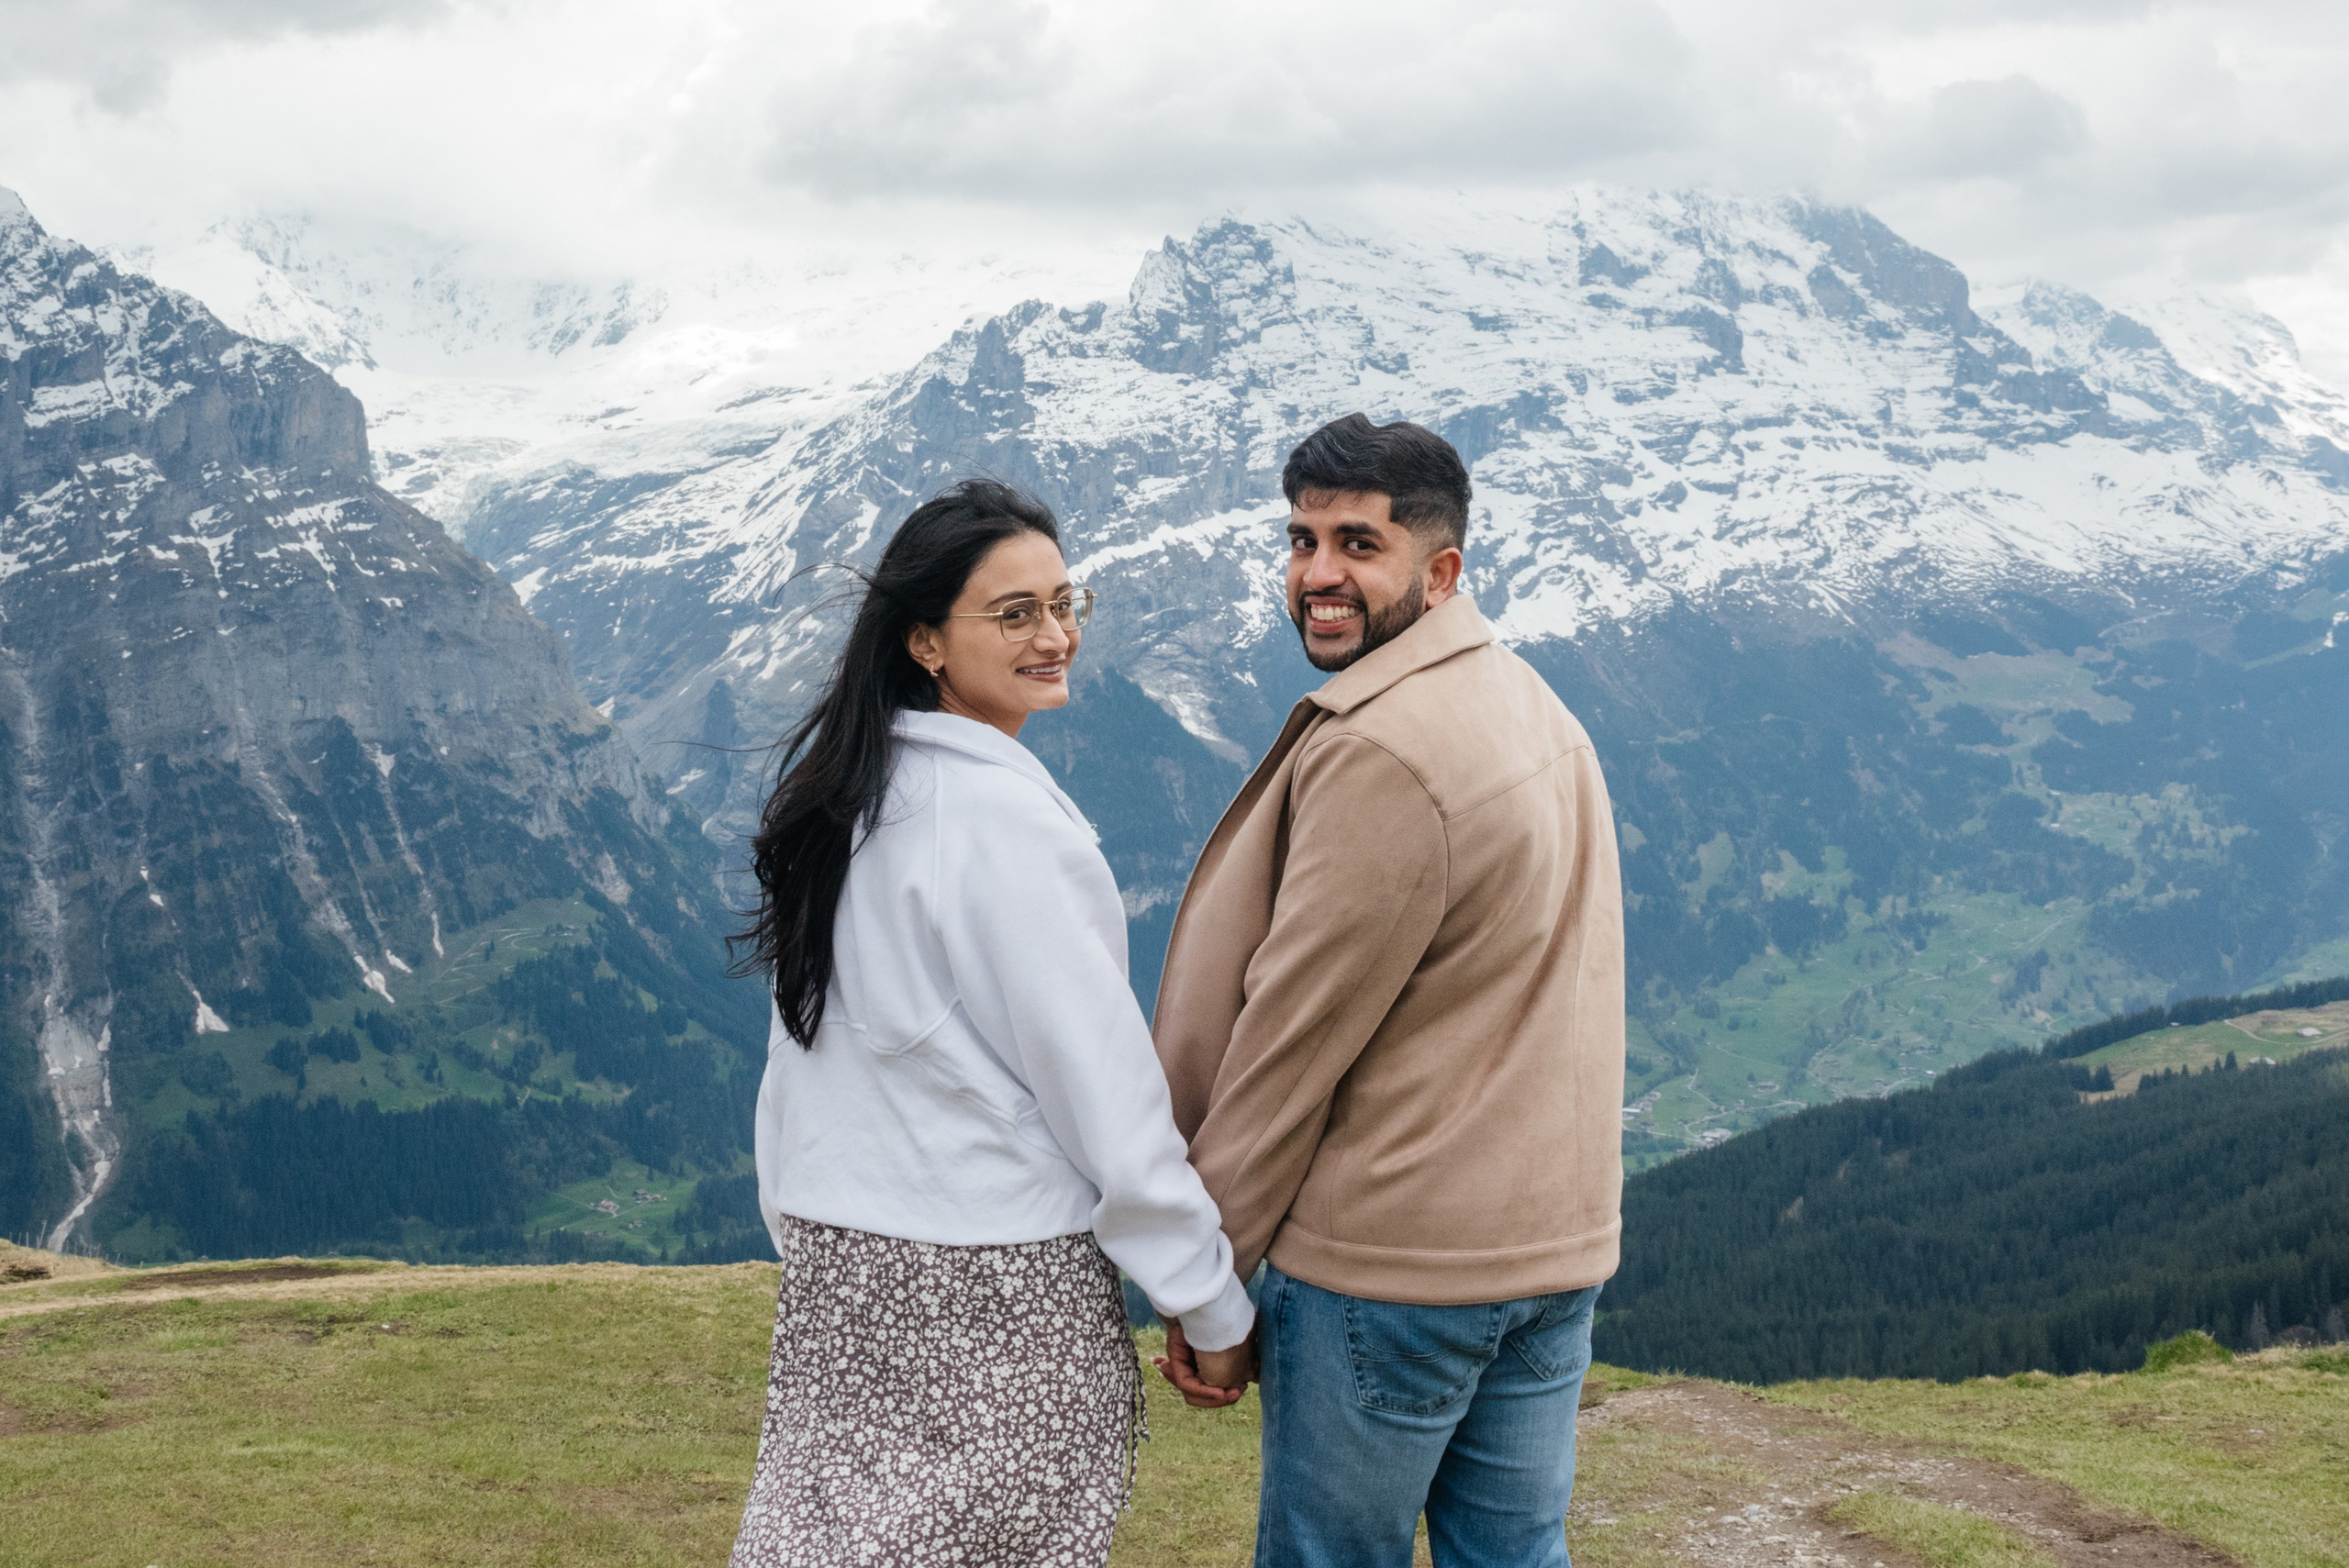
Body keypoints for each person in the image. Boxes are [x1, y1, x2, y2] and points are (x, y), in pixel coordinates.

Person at [728, 478, 1255, 1568]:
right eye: (1014, 613)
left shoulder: (844, 801)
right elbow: (1103, 1094)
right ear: (924, 640)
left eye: (1064, 603)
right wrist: (1207, 1299)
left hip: (841, 1268)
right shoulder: (1005, 820)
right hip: (996, 1280)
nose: (1054, 635)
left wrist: (805, 1224)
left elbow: (798, 1052)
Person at [1152, 415, 1627, 1568]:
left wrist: (1205, 1281)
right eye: (1302, 539)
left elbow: (1288, 1048)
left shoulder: (1382, 747)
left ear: (1440, 569)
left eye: (1358, 543)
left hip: (1392, 1266)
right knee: (1515, 1553)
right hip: (1551, 1253)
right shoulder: (1532, 702)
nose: (1317, 572)